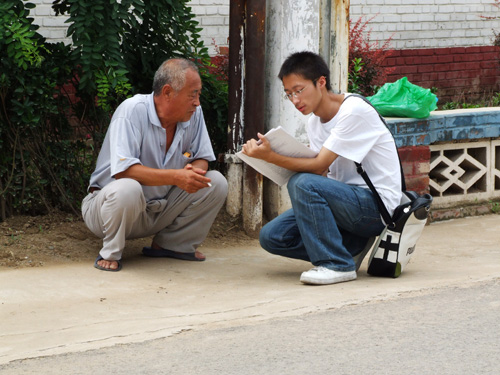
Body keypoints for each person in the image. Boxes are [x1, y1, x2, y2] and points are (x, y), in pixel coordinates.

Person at [242, 51, 402, 285]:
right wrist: (268, 156)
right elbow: (321, 173)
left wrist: (271, 156)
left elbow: (319, 165)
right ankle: (348, 249)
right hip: (344, 204)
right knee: (272, 237)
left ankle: (336, 264)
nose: (295, 100)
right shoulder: (315, 122)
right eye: (289, 94)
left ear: (321, 82)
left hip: (376, 207)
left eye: (299, 90)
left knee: (301, 183)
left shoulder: (353, 111)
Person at [82, 58, 228, 272]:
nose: (197, 102)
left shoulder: (194, 114)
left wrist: (193, 174)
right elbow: (124, 172)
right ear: (168, 92)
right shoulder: (131, 111)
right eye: (192, 94)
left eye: (198, 94)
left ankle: (173, 244)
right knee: (127, 187)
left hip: (160, 208)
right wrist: (177, 177)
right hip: (108, 211)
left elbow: (202, 157)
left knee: (215, 182)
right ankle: (110, 252)